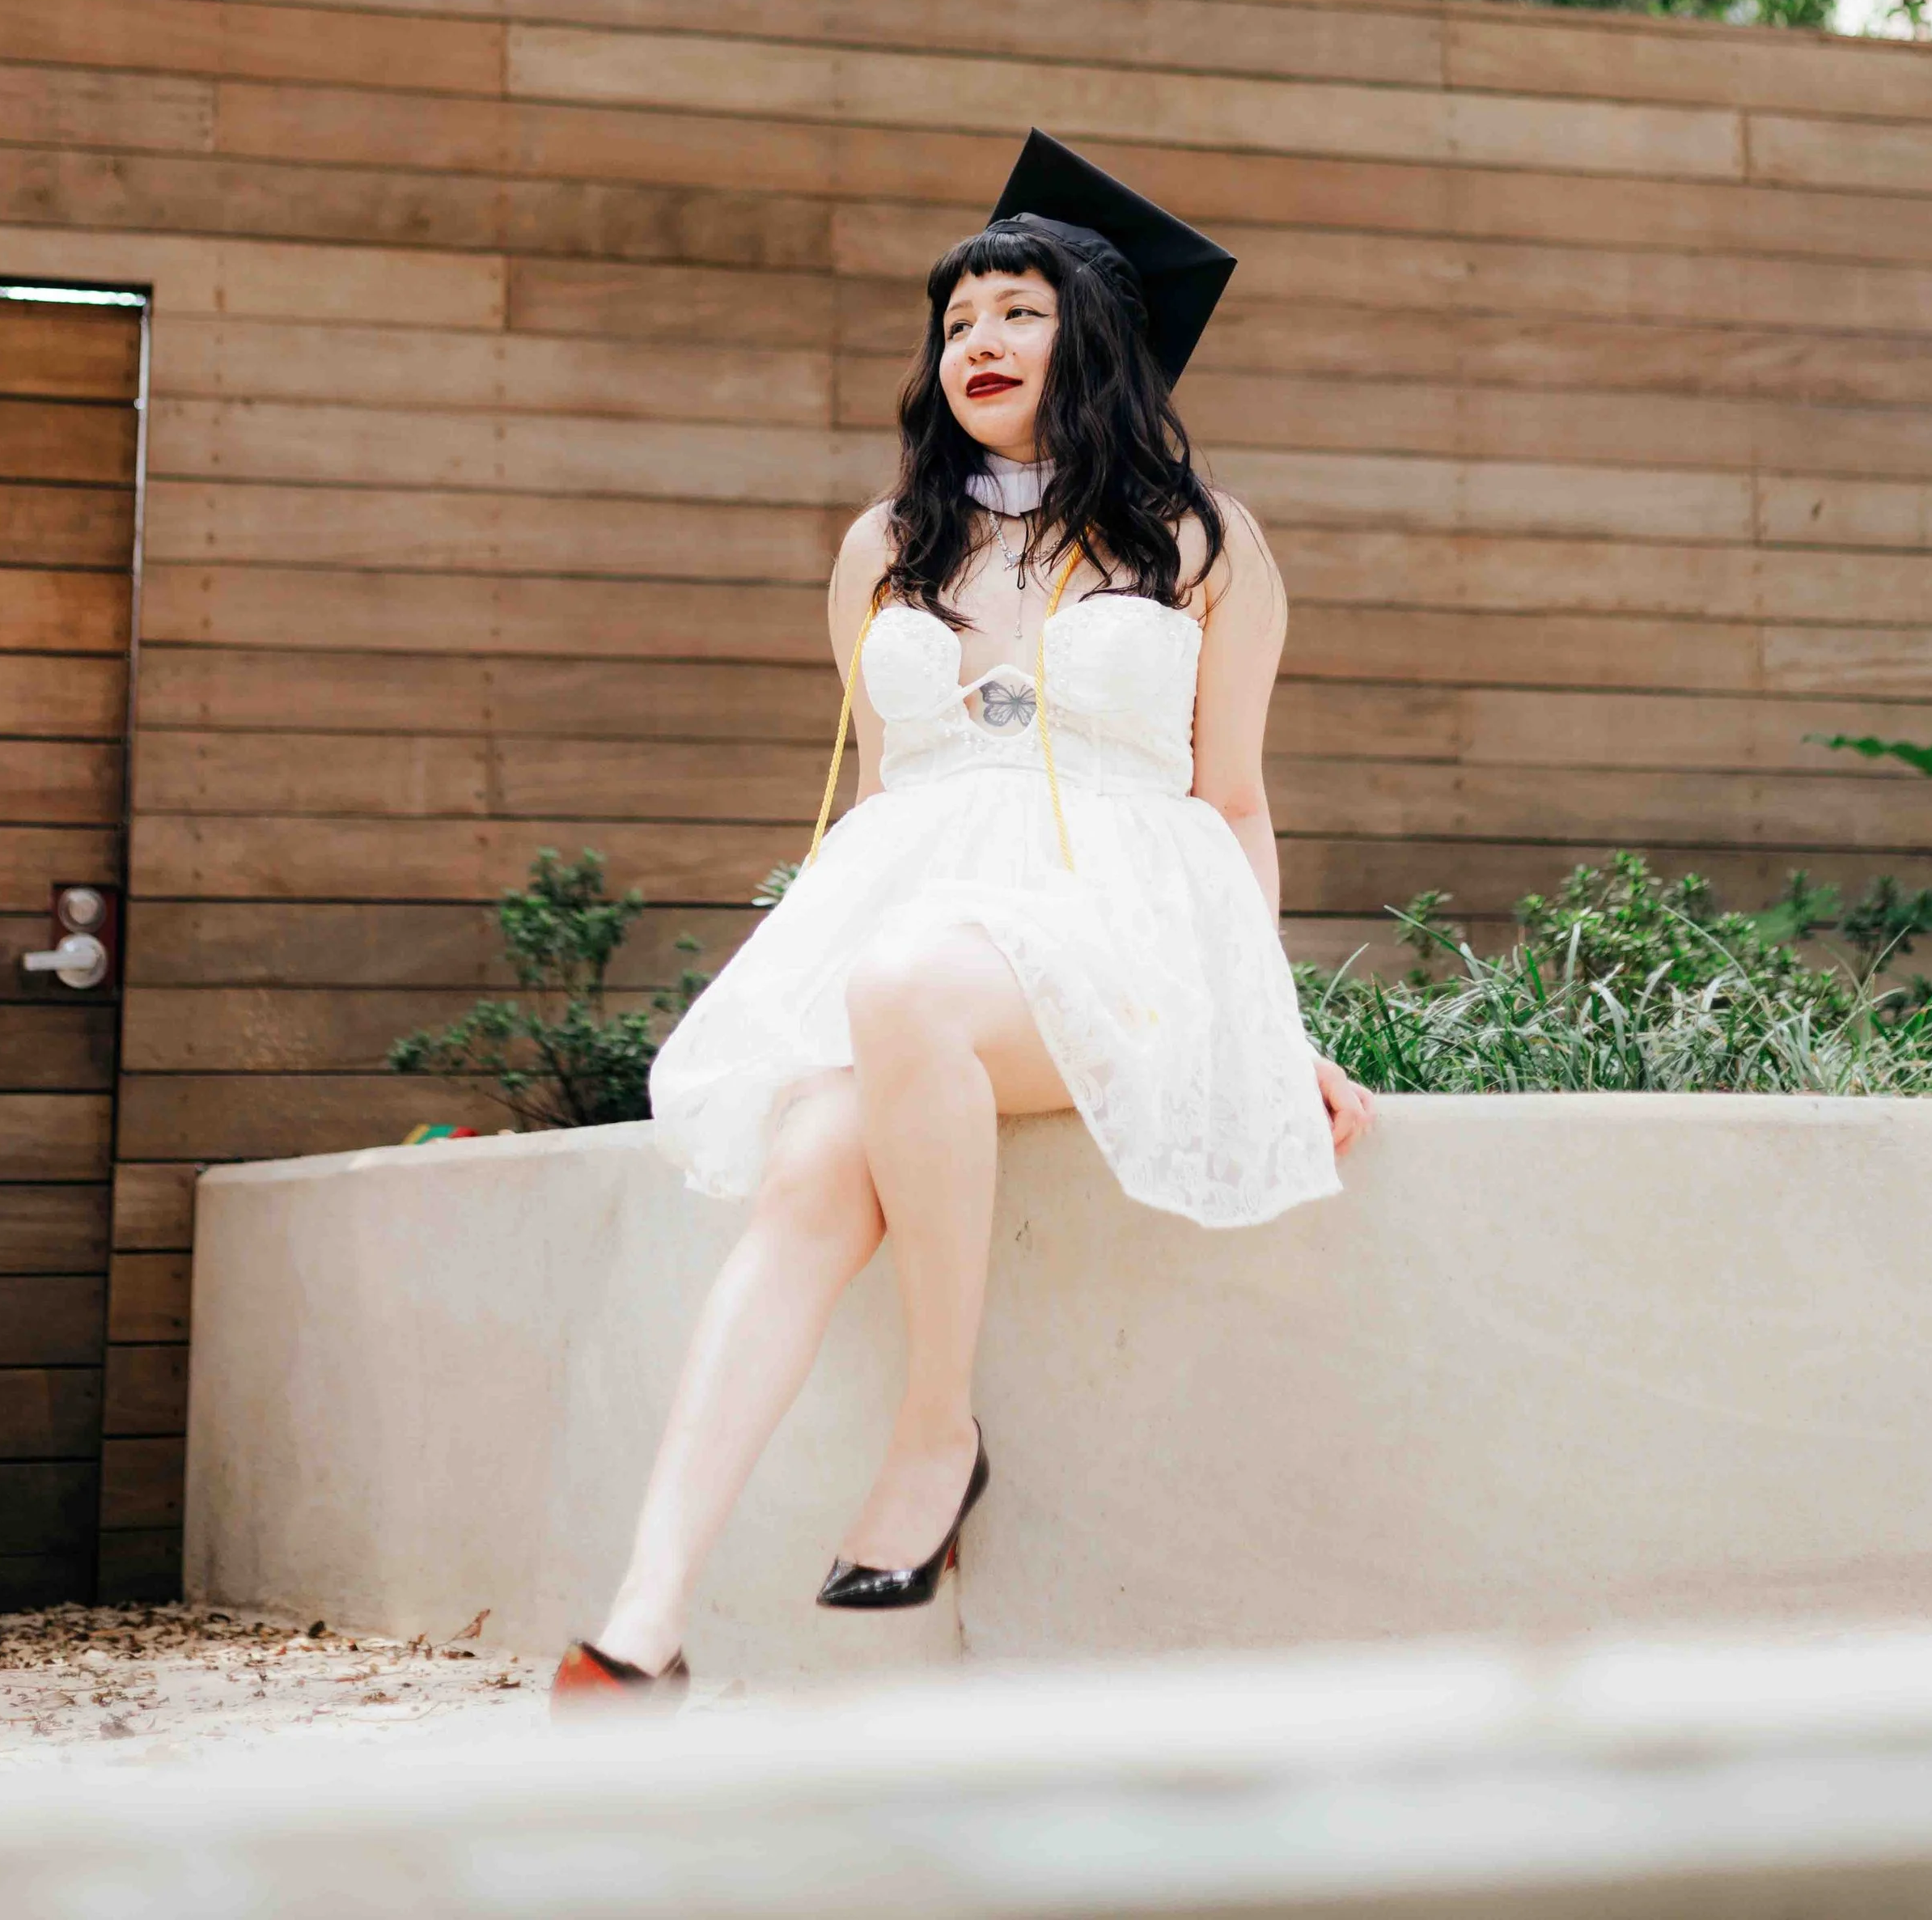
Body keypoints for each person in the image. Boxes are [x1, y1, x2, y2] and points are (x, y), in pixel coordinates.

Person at [550, 130, 1375, 1706]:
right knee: (808, 1169)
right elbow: (882, 791)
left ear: (1098, 340)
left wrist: (1268, 1034)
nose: (976, 344)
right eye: (954, 323)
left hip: (1113, 938)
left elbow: (1234, 801)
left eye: (1015, 311)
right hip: (909, 933)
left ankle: (938, 1432)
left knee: (913, 983)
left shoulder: (1202, 539)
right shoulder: (885, 546)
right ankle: (639, 1624)